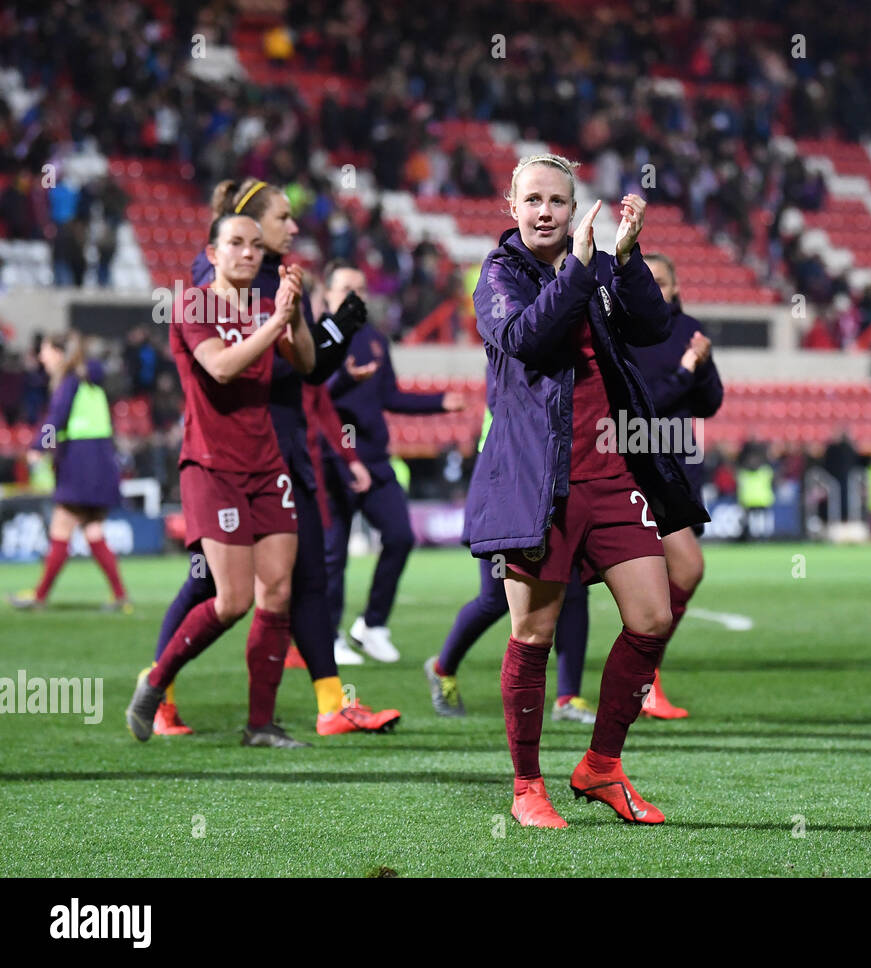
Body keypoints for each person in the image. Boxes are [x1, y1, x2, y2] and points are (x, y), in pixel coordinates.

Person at [468, 153, 708, 827]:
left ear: (575, 209)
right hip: (538, 482)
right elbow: (525, 338)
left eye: (558, 201)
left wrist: (626, 260)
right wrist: (579, 266)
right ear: (512, 209)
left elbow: (654, 329)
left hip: (610, 475)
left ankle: (601, 766)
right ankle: (526, 787)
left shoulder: (598, 263)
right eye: (534, 200)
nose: (545, 211)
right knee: (534, 632)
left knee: (652, 619)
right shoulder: (498, 274)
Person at [146, 179, 399, 740]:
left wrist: (324, 330)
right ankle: (158, 687)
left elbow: (306, 366)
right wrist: (337, 327)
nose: (291, 228)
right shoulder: (225, 288)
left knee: (297, 581)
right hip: (241, 450)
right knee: (211, 587)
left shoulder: (277, 283)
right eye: (281, 219)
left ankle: (324, 706)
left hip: (281, 447)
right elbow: (265, 366)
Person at [126, 210, 314, 747]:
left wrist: (292, 315)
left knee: (277, 590)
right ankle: (156, 682)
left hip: (266, 464)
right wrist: (275, 323)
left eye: (256, 245)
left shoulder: (262, 306)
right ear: (212, 254)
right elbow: (222, 368)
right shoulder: (192, 303)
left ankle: (260, 724)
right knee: (232, 600)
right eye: (236, 243)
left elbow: (304, 363)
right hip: (212, 466)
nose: (249, 253)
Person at [321, 261, 466, 663]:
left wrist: (439, 402)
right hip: (333, 457)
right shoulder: (318, 338)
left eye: (361, 289)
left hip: (375, 456)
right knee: (334, 553)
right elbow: (313, 396)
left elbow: (390, 396)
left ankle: (371, 625)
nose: (355, 296)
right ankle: (328, 635)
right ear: (328, 295)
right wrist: (345, 379)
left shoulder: (374, 340)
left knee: (400, 536)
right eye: (346, 288)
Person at [425, 401, 595, 723]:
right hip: (505, 485)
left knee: (573, 589)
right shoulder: (512, 361)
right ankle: (441, 669)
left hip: (553, 483)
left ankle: (568, 697)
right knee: (495, 599)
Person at [624, 252, 725, 718]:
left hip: (681, 468)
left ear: (676, 288)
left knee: (675, 579)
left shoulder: (689, 328)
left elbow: (709, 403)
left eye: (663, 283)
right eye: (650, 283)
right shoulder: (628, 332)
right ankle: (639, 680)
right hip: (640, 465)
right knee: (686, 569)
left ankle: (643, 681)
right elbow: (644, 405)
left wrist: (700, 367)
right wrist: (686, 369)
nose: (657, 291)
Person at [9, 332, 129, 612]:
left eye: (46, 351)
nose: (42, 357)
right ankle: (120, 596)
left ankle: (39, 597)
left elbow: (56, 417)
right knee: (93, 531)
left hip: (80, 463)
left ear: (59, 353)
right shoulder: (90, 380)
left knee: (61, 527)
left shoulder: (68, 381)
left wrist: (40, 446)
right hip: (101, 463)